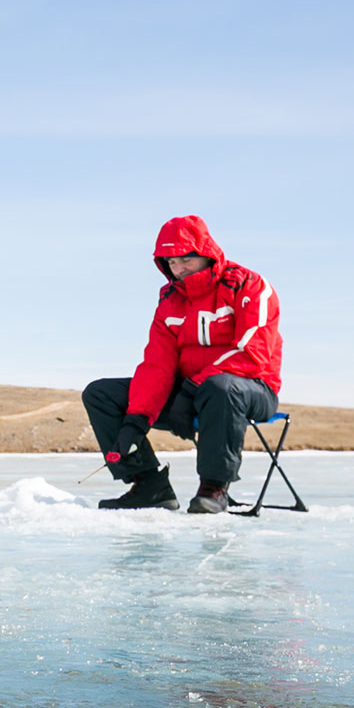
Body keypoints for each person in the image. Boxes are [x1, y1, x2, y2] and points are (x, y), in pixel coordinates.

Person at [82, 216, 281, 514]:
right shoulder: (169, 300)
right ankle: (149, 485)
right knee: (100, 394)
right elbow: (157, 364)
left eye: (186, 259)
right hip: (190, 394)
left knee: (221, 387)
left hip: (250, 389)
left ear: (207, 254)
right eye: (172, 262)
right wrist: (137, 419)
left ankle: (214, 488)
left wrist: (192, 389)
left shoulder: (248, 286)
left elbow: (252, 353)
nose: (179, 269)